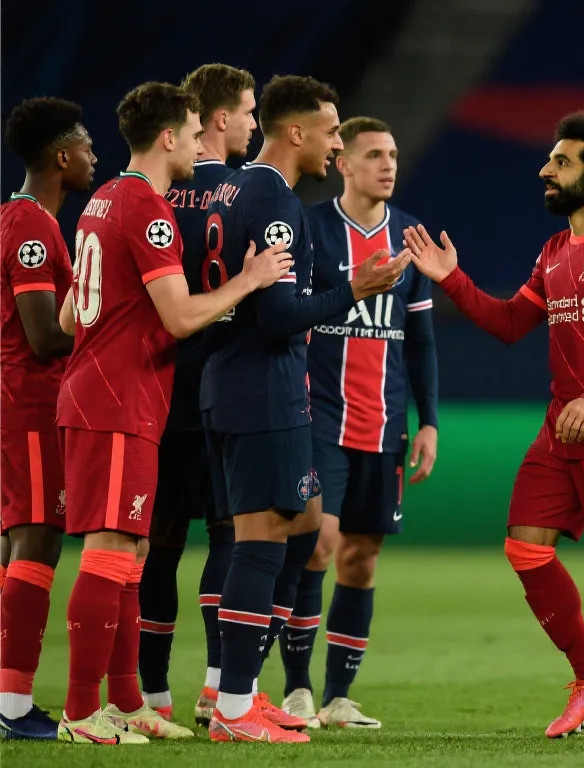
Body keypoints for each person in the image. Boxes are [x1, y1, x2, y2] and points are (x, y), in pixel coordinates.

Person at [404, 110, 584, 741]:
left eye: (561, 162)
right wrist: (452, 280)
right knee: (525, 547)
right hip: (562, 430)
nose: (544, 170)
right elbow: (508, 324)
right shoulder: (554, 251)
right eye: (550, 159)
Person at [54, 80, 293, 746]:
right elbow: (182, 317)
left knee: (133, 551)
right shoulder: (147, 210)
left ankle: (129, 703)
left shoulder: (103, 199)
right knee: (111, 550)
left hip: (106, 393)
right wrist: (249, 280)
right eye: (191, 135)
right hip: (116, 400)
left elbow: (73, 315)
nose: (197, 146)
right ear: (167, 137)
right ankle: (81, 712)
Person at [199, 75, 410, 743]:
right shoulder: (275, 199)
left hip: (236, 384)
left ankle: (245, 694)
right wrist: (356, 288)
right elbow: (278, 317)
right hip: (262, 390)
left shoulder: (233, 188)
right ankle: (234, 706)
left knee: (301, 527)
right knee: (261, 545)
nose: (337, 143)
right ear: (296, 132)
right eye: (331, 131)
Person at [278, 116, 439, 729]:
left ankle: (339, 697)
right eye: (374, 155)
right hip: (320, 417)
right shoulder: (312, 229)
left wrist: (428, 422)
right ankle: (296, 689)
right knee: (318, 543)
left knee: (361, 557)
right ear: (343, 164)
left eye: (393, 154)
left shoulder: (410, 237)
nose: (388, 165)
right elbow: (291, 314)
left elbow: (420, 340)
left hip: (384, 423)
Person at [136, 62, 257, 724]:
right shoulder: (242, 194)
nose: (253, 126)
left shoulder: (151, 195)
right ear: (219, 118)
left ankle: (151, 695)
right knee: (228, 537)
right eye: (248, 113)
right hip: (223, 387)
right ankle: (217, 689)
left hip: (156, 387)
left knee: (158, 545)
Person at [0, 96, 95, 740]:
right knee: (36, 539)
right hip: (29, 403)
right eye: (86, 145)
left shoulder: (22, 218)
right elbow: (42, 337)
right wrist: (105, 321)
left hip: (20, 402)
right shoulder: (33, 227)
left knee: (16, 544)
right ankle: (12, 706)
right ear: (61, 157)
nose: (94, 155)